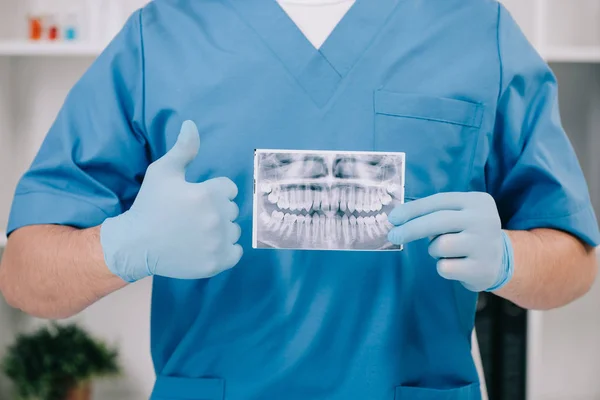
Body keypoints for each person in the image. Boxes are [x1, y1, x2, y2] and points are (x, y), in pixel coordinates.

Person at [0, 0, 598, 398]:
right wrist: (120, 248)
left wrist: (510, 261)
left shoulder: (475, 28)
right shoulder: (161, 37)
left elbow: (575, 259)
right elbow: (24, 274)